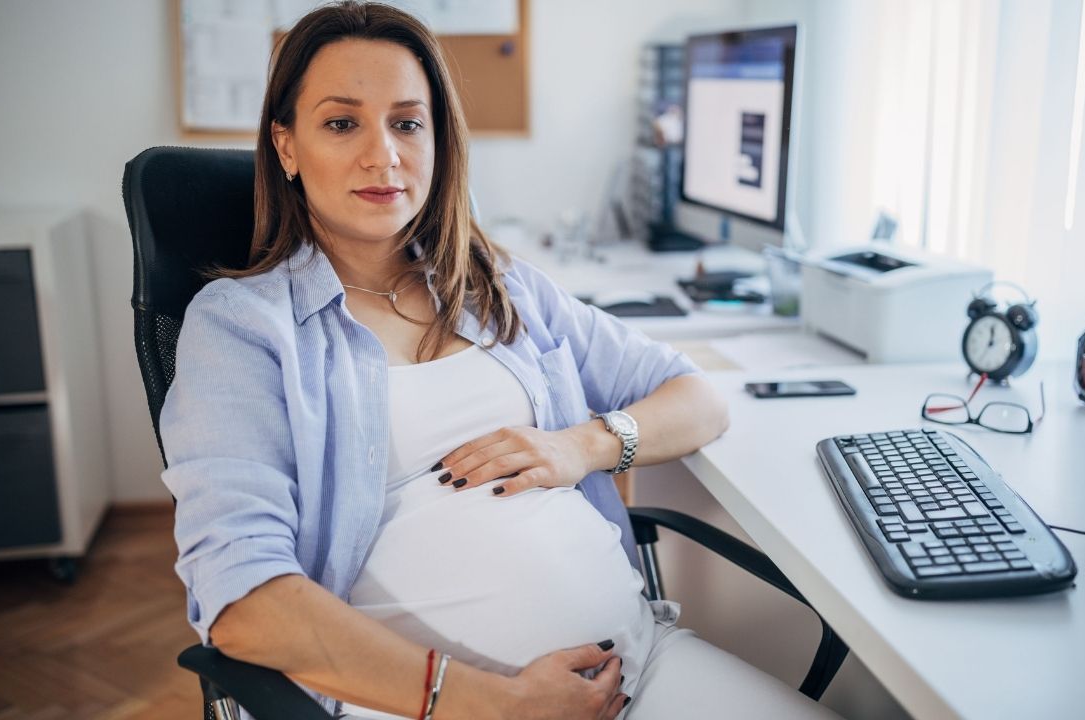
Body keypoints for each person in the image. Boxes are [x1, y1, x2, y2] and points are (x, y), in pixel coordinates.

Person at [161, 3, 841, 719]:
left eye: (406, 122)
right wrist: (494, 702)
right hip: (432, 708)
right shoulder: (242, 328)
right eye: (341, 123)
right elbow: (243, 602)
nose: (383, 154)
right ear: (287, 145)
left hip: (640, 666)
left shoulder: (497, 285)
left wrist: (582, 447)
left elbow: (699, 398)